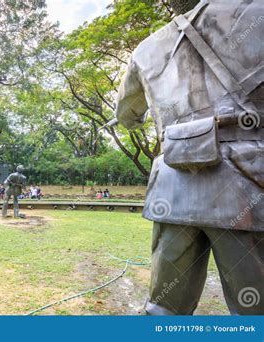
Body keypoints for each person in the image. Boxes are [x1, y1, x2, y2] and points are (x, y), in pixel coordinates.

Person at [114, 0, 263, 315]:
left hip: (174, 190)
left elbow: (127, 115)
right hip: (247, 183)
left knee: (163, 309)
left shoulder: (146, 48)